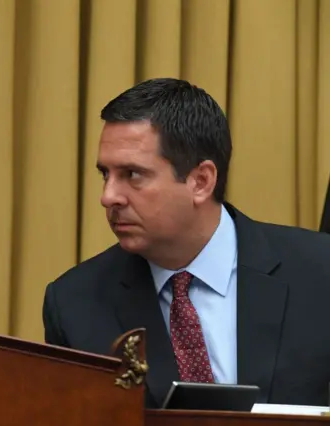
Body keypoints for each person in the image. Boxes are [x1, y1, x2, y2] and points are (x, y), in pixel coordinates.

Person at [42, 78, 330, 408]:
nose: (108, 197)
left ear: (201, 181)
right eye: (105, 174)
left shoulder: (320, 273)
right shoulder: (75, 304)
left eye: (132, 174)